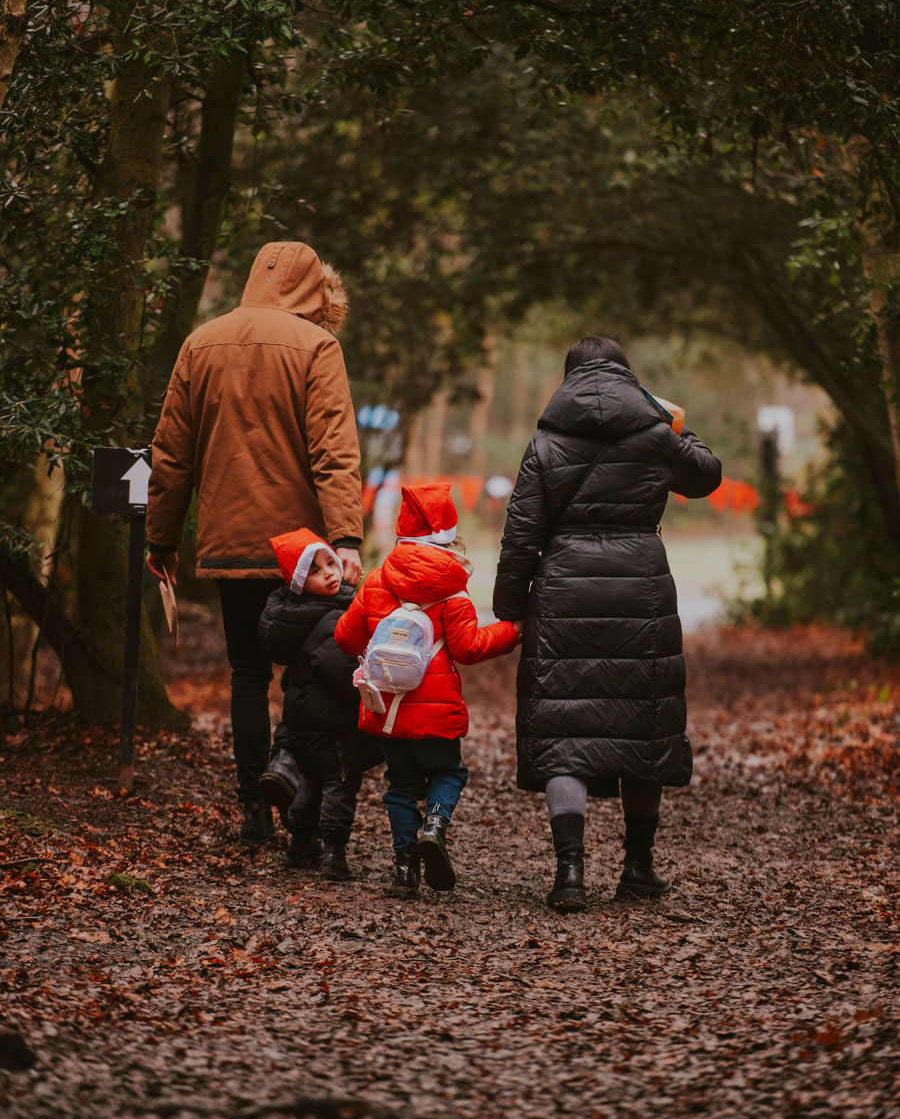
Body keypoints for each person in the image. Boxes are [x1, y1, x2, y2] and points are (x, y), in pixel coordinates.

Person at [492, 336, 722, 913]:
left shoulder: (545, 441)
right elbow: (707, 477)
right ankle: (638, 868)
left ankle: (569, 873)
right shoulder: (654, 433)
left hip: (563, 588)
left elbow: (522, 531)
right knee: (642, 728)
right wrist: (676, 426)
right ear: (628, 378)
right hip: (639, 587)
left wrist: (509, 605)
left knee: (564, 733)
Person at [146, 241, 364, 844]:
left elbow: (171, 453)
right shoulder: (318, 347)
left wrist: (161, 538)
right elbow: (334, 453)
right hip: (302, 555)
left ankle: (252, 811)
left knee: (246, 673)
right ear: (311, 288)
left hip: (230, 543)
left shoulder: (201, 343)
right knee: (307, 674)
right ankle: (300, 799)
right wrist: (345, 536)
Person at [333, 484, 520, 899]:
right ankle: (434, 825)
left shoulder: (379, 579)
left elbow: (344, 639)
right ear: (448, 538)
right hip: (436, 715)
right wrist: (512, 631)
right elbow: (468, 648)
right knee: (448, 772)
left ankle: (404, 869)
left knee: (400, 786)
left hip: (387, 712)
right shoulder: (451, 590)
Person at [257, 528, 383, 880]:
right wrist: (368, 692)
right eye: (315, 571)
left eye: (330, 562)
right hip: (334, 720)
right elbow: (340, 670)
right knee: (340, 784)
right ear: (299, 582)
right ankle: (335, 852)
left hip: (301, 720)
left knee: (310, 782)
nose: (329, 572)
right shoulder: (331, 618)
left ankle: (300, 844)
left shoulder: (297, 615)